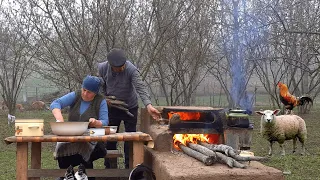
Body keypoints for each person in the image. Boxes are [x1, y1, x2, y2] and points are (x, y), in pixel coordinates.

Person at [98, 48, 160, 169]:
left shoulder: (131, 69)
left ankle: (129, 167)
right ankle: (110, 168)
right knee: (110, 138)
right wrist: (103, 99)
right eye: (118, 67)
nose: (122, 68)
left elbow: (140, 87)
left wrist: (148, 105)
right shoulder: (103, 68)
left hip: (130, 107)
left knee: (130, 138)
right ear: (111, 65)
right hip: (112, 108)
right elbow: (100, 85)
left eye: (123, 66)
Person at [50, 75, 109, 180]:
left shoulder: (101, 101)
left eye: (89, 92)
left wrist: (96, 123)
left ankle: (78, 174)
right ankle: (67, 174)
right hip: (73, 137)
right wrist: (60, 120)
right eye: (84, 90)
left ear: (95, 93)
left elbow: (105, 121)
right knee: (62, 147)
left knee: (87, 151)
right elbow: (56, 103)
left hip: (92, 139)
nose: (85, 93)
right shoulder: (76, 95)